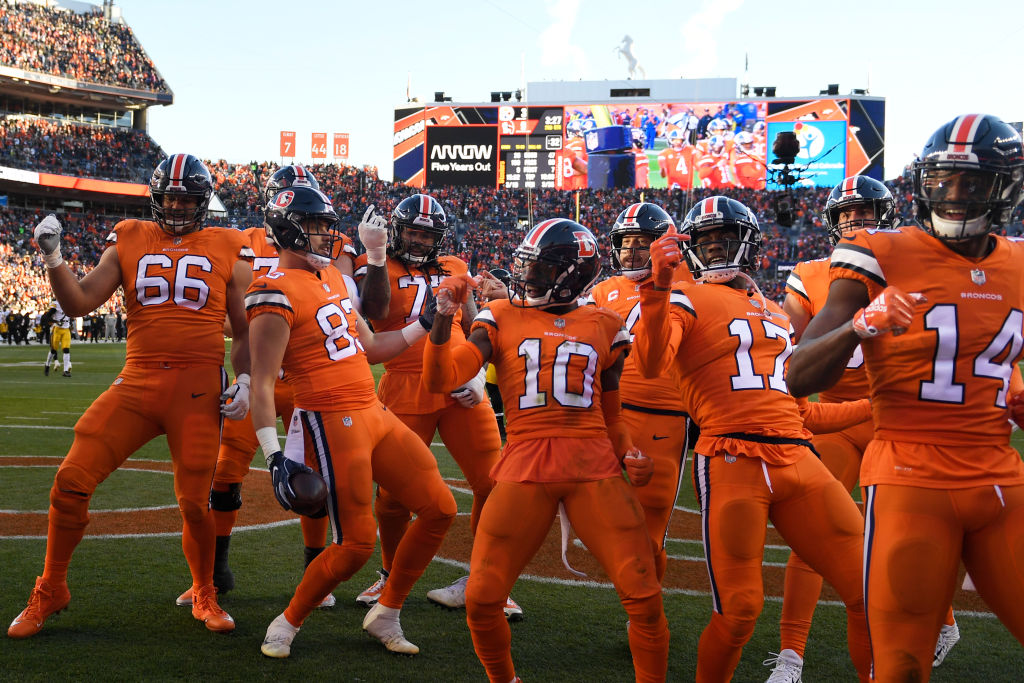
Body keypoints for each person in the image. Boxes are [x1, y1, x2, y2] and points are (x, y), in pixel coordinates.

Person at [787, 114, 1024, 682]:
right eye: (943, 180)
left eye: (973, 182)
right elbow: (797, 374)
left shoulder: (1019, 263)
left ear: (1007, 187)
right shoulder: (878, 252)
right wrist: (859, 327)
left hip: (1001, 482)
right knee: (902, 665)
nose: (955, 195)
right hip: (910, 480)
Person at [7, 154, 253, 639]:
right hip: (138, 380)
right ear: (156, 198)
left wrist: (243, 380)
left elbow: (244, 332)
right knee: (71, 478)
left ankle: (205, 591)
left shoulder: (229, 244)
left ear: (203, 203)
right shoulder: (129, 237)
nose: (178, 206)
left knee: (194, 503)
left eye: (187, 198)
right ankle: (51, 586)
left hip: (199, 386)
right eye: (171, 197)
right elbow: (78, 302)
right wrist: (54, 258)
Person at [634, 196, 872, 682]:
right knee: (740, 610)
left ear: (750, 244)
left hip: (797, 456)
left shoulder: (779, 315)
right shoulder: (683, 296)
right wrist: (658, 288)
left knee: (870, 592)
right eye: (705, 241)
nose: (716, 249)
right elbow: (654, 360)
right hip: (731, 457)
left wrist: (875, 408)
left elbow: (802, 411)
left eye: (725, 238)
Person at [422, 218, 669, 683]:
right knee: (482, 597)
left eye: (538, 269)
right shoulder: (499, 315)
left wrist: (630, 452)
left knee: (644, 595)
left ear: (572, 273)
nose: (526, 277)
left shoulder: (606, 323)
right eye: (525, 266)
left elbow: (613, 417)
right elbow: (441, 379)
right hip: (526, 460)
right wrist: (442, 317)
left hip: (593, 463)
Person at [765, 176, 962, 682]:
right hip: (835, 415)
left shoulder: (913, 263)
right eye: (846, 214)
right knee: (816, 538)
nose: (854, 220)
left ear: (886, 213)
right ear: (833, 223)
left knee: (911, 527)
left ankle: (942, 618)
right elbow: (794, 351)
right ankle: (791, 655)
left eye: (864, 210)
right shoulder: (809, 273)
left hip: (895, 415)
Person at [250, 185, 456, 658]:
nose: (329, 237)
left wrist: (428, 320)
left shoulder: (334, 282)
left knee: (440, 507)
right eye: (318, 228)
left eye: (328, 228)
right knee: (358, 543)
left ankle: (387, 611)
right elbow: (263, 383)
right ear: (288, 229)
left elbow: (375, 348)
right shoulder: (272, 290)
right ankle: (288, 620)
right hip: (329, 417)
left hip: (372, 409)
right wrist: (274, 455)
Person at [174, 164, 355, 609]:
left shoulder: (329, 243)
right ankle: (213, 574)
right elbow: (226, 306)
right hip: (258, 375)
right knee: (226, 471)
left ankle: (316, 572)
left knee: (312, 475)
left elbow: (347, 295)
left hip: (308, 376)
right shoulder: (241, 241)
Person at [352, 194, 520, 620]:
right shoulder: (377, 265)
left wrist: (479, 373)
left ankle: (486, 579)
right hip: (406, 384)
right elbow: (374, 311)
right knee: (392, 498)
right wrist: (374, 256)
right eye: (412, 230)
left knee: (493, 484)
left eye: (427, 233)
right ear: (397, 229)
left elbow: (478, 319)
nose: (419, 239)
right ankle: (390, 573)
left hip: (460, 382)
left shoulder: (455, 266)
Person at [584, 202, 694, 583]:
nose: (631, 250)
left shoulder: (689, 286)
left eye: (642, 241)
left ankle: (646, 617)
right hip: (603, 415)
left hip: (662, 419)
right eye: (626, 242)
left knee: (649, 534)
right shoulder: (600, 291)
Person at [43, 301, 73, 377]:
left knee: (66, 349)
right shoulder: (56, 304)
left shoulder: (69, 303)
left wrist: (71, 324)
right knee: (53, 350)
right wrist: (55, 321)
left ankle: (65, 371)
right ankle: (47, 365)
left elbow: (70, 315)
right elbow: (47, 316)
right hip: (57, 329)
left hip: (66, 329)